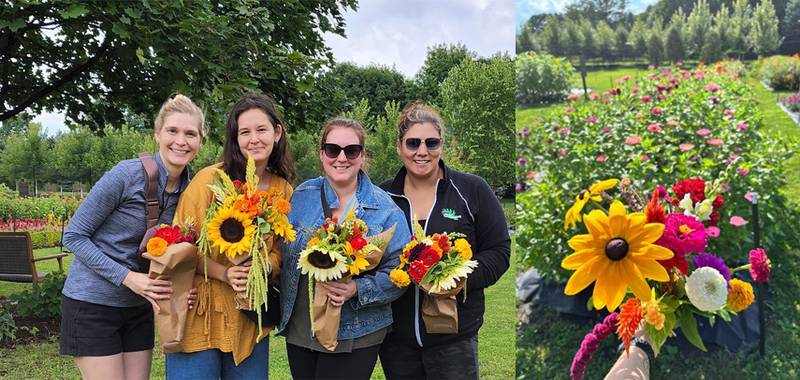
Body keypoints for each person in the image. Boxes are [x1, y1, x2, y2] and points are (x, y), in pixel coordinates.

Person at [60, 94, 205, 380]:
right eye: (172, 131)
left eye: (191, 133)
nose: (181, 141)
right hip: (92, 305)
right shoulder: (126, 175)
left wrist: (180, 291)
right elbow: (74, 236)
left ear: (200, 141)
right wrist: (129, 278)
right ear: (157, 134)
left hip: (138, 309)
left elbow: (179, 256)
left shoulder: (193, 191)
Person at [164, 93, 295, 379]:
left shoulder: (283, 191)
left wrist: (263, 267)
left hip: (249, 317)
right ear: (235, 139)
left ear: (277, 132)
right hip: (200, 313)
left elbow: (281, 252)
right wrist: (225, 273)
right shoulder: (210, 181)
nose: (254, 139)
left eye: (261, 129)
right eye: (244, 132)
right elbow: (180, 247)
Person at [378, 103, 511, 379]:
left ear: (442, 145)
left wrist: (457, 279)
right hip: (395, 341)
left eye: (431, 142)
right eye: (413, 143)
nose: (422, 151)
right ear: (399, 147)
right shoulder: (382, 197)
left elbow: (499, 251)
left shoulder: (472, 189)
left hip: (454, 340)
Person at [278, 118, 412, 379]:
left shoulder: (385, 208)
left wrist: (356, 288)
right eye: (332, 150)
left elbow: (401, 271)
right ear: (322, 154)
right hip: (302, 329)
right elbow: (282, 250)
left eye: (351, 150)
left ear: (362, 155)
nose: (341, 158)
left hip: (357, 330)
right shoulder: (302, 195)